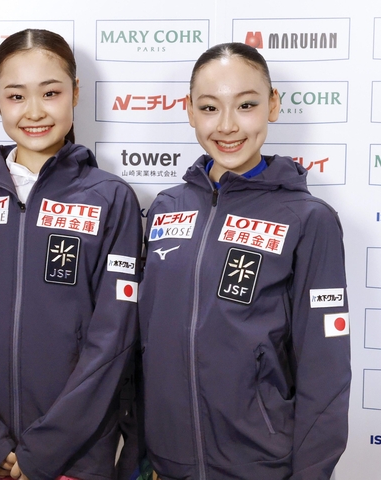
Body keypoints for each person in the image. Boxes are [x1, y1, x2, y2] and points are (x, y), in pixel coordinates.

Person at [0, 29, 142, 480]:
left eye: (50, 93)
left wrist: (46, 448)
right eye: (15, 96)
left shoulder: (111, 198)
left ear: (75, 93)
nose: (34, 111)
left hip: (74, 456)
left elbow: (113, 338)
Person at [138, 42, 351, 480]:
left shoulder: (308, 219)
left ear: (273, 105)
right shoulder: (165, 208)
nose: (227, 125)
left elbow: (325, 370)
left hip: (260, 466)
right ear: (189, 111)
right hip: (166, 462)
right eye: (209, 107)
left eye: (246, 105)